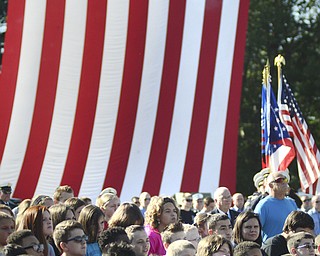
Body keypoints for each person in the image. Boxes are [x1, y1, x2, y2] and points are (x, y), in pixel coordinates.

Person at [254, 170, 297, 242]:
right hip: (272, 248)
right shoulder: (263, 205)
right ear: (271, 185)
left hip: (291, 247)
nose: (284, 182)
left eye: (285, 179)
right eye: (279, 180)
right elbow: (255, 229)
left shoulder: (291, 202)